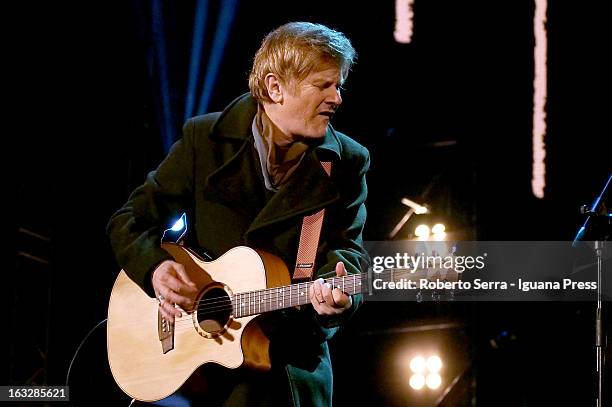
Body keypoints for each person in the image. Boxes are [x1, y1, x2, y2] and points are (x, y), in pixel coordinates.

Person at [107, 21, 370, 406]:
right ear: (275, 87)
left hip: (289, 366)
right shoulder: (204, 139)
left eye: (339, 85)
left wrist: (338, 297)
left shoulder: (346, 161)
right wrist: (156, 269)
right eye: (323, 85)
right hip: (203, 373)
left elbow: (348, 253)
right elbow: (128, 221)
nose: (337, 98)